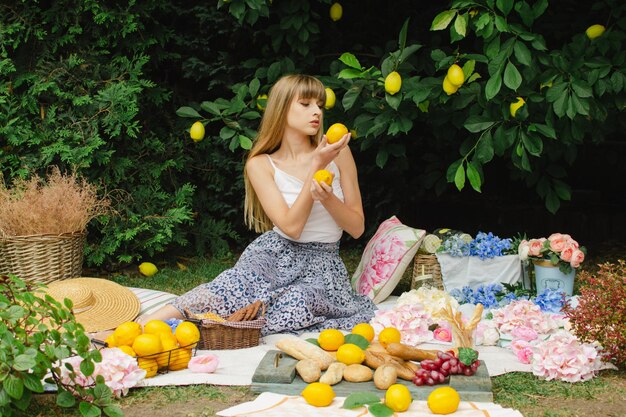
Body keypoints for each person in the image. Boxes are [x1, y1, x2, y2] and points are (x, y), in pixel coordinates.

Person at [138, 74, 376, 335]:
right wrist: (315, 168)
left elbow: (357, 228)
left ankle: (212, 330)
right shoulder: (261, 164)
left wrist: (328, 198)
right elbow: (291, 228)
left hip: (322, 263)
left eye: (319, 105)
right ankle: (137, 328)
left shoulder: (339, 154)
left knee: (296, 302)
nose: (316, 111)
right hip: (275, 253)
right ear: (282, 108)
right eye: (306, 104)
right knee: (228, 286)